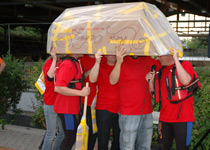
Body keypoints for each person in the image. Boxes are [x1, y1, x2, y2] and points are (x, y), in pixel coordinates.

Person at [146, 47, 198, 150]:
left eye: (159, 55)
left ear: (168, 55)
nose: (157, 58)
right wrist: (150, 82)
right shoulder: (160, 72)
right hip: (164, 119)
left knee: (182, 148)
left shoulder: (184, 65)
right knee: (163, 147)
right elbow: (154, 95)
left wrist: (176, 60)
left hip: (183, 118)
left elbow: (186, 81)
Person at [109, 46, 160, 150]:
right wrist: (118, 62)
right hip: (128, 113)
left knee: (145, 147)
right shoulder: (122, 60)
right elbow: (112, 80)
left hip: (146, 112)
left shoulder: (147, 59)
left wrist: (158, 50)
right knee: (127, 147)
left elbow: (163, 63)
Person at [54, 53, 90, 150]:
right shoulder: (68, 64)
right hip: (66, 109)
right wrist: (81, 93)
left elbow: (76, 81)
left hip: (71, 108)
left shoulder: (74, 62)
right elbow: (58, 88)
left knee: (70, 136)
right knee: (70, 137)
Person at [89, 51, 120, 150]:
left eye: (115, 52)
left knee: (118, 139)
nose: (114, 54)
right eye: (111, 52)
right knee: (103, 139)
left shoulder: (122, 65)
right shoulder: (101, 65)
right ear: (105, 55)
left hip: (121, 109)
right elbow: (92, 79)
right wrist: (97, 62)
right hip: (104, 109)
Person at [42, 48, 64, 150]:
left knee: (63, 133)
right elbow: (49, 77)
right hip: (51, 103)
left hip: (61, 104)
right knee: (51, 134)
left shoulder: (64, 62)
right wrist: (54, 59)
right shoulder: (50, 62)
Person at [79, 54, 98, 150]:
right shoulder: (81, 58)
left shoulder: (102, 58)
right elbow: (80, 78)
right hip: (84, 101)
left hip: (98, 102)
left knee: (94, 131)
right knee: (83, 130)